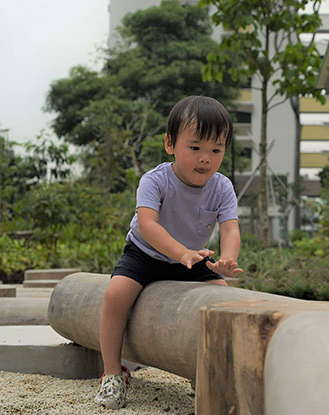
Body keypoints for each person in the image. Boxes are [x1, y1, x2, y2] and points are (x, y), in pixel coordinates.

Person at [94, 96, 243, 409]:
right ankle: (111, 373)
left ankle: (202, 372)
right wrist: (181, 252)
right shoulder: (155, 180)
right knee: (115, 295)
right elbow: (148, 225)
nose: (206, 158)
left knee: (224, 303)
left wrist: (227, 259)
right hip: (146, 254)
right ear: (170, 144)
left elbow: (230, 228)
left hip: (193, 258)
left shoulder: (222, 187)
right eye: (195, 148)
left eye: (216, 150)